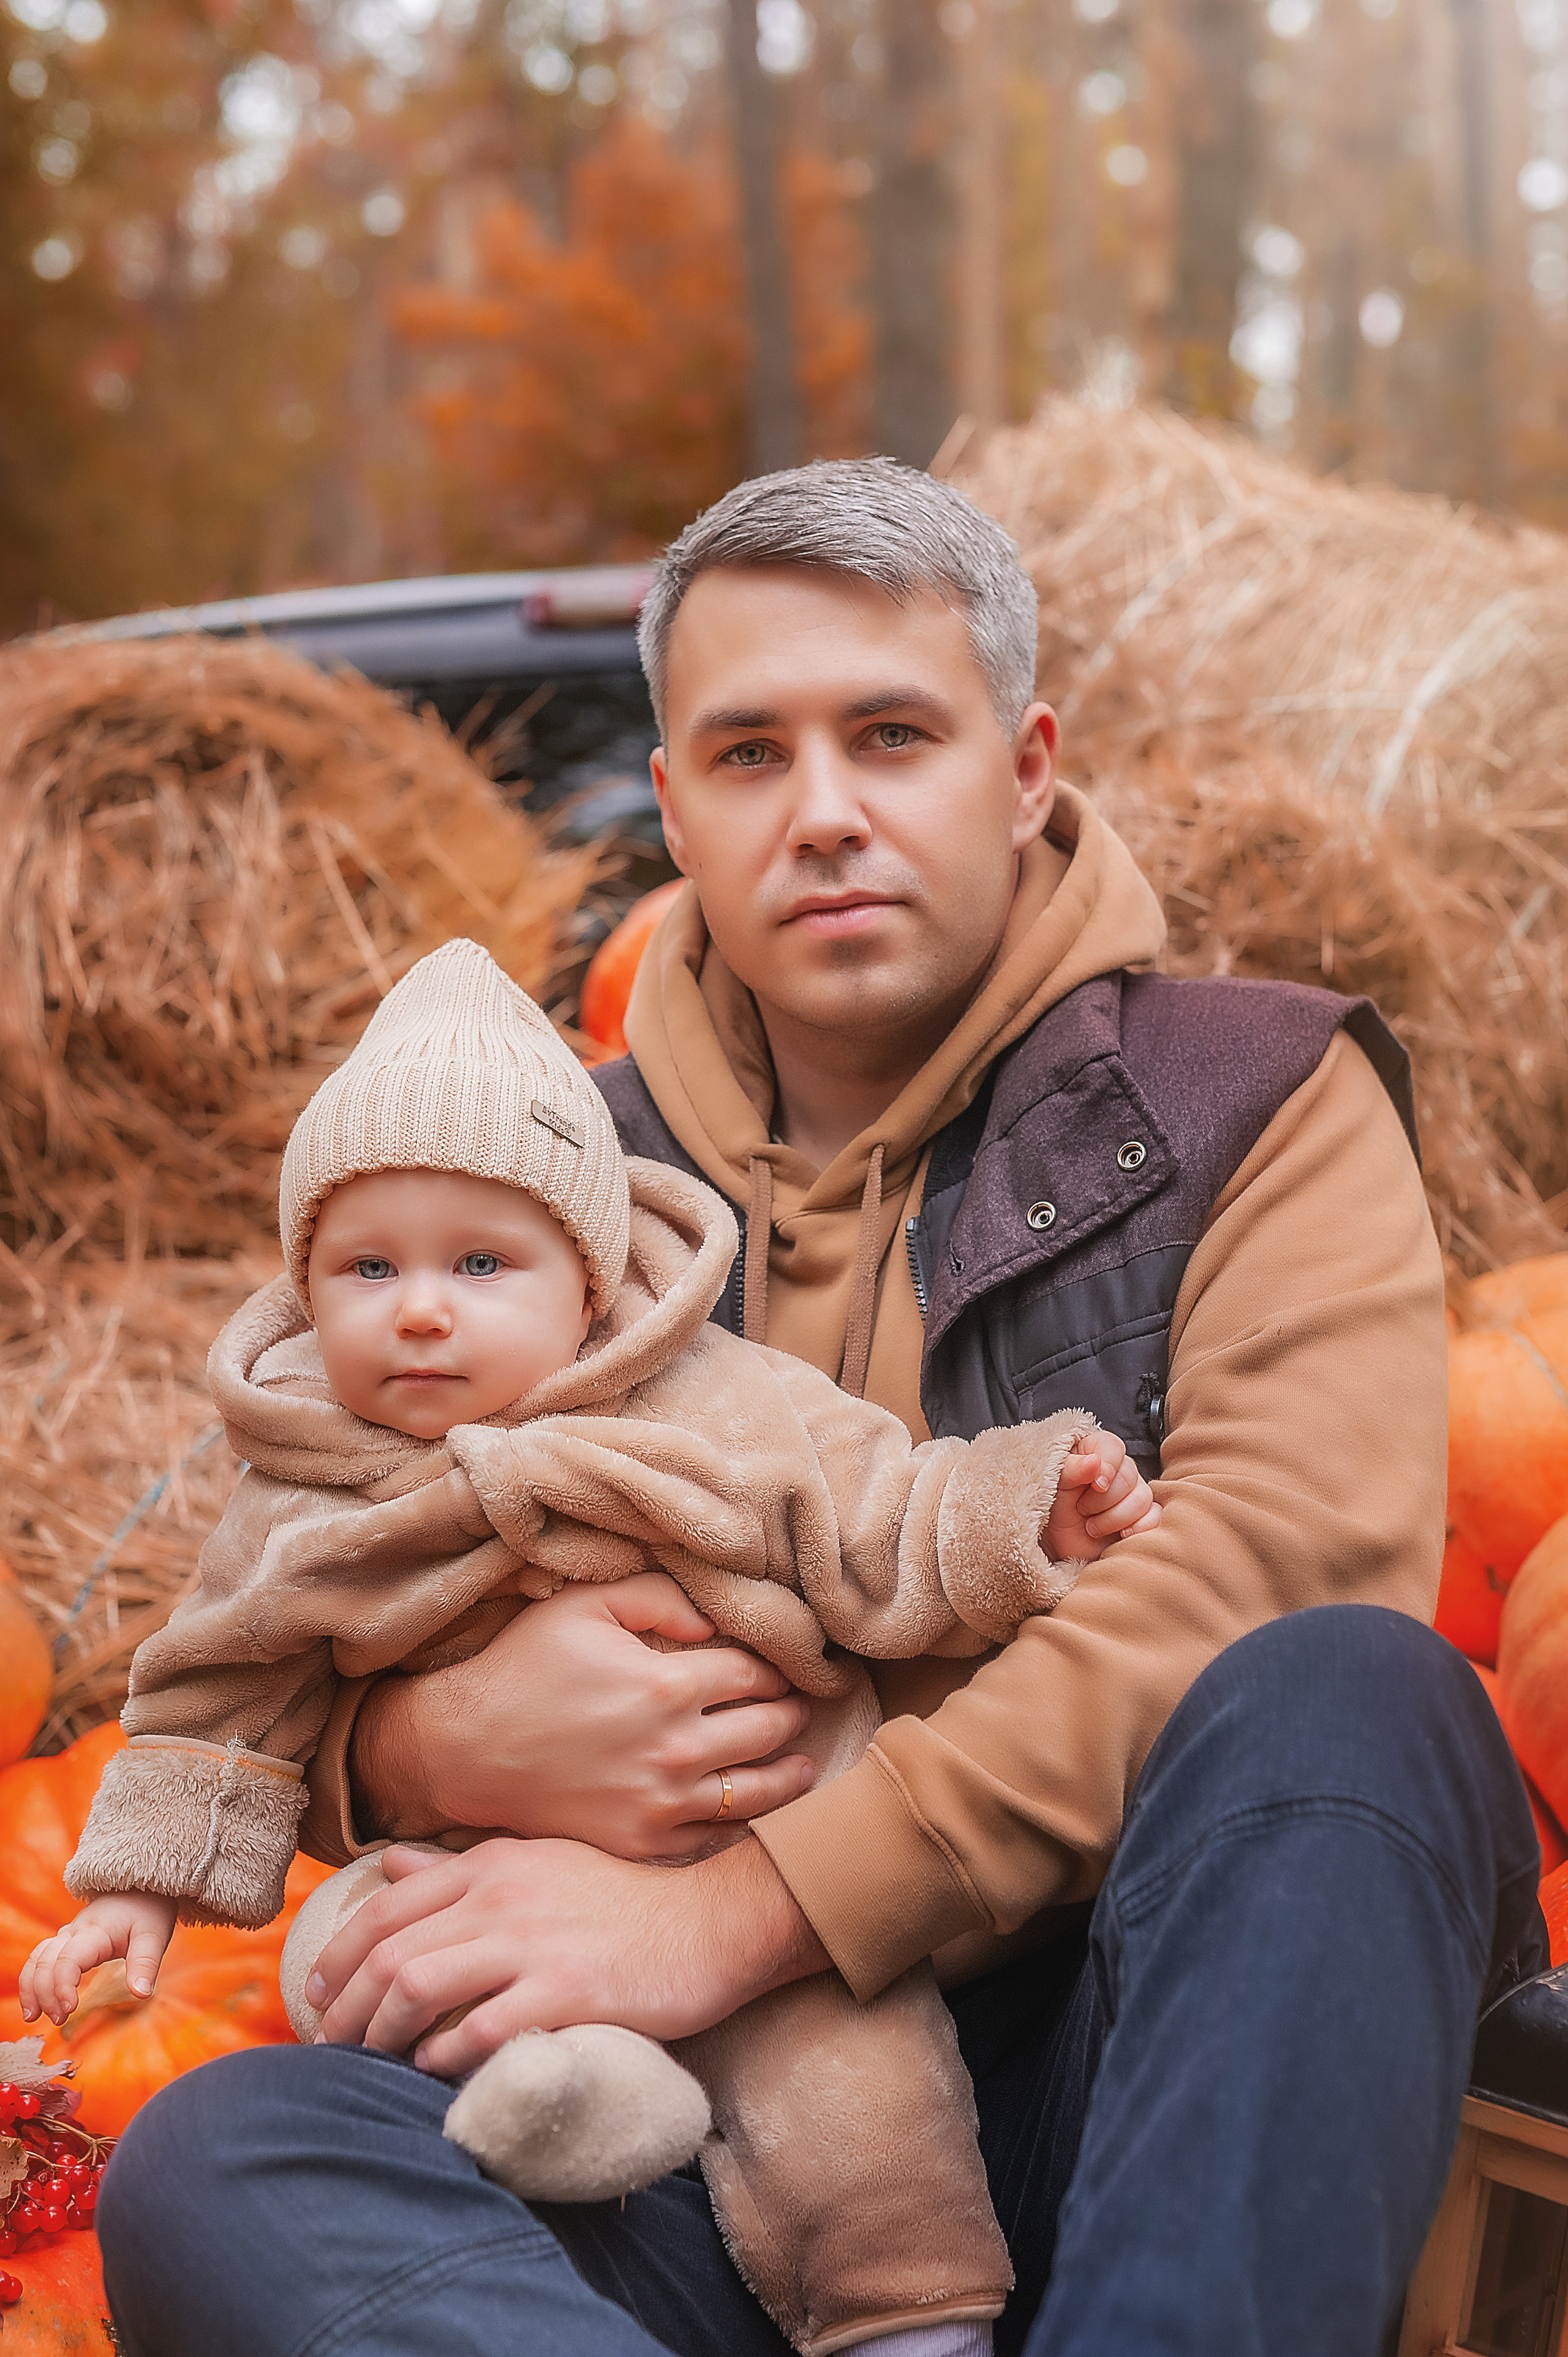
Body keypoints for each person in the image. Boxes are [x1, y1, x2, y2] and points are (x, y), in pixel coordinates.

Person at [95, 459, 1544, 2357]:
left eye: (891, 735)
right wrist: (426, 1752)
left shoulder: (1249, 1095)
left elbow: (1262, 1579)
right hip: (701, 2120)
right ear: (676, 811)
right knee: (222, 2158)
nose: (829, 813)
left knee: (1355, 1688)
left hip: (1156, 2052)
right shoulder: (532, 1200)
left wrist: (741, 1909)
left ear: (1024, 768)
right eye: (752, 754)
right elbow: (294, 1570)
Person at [26, 933, 1156, 2357]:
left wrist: (1022, 1514)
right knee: (368, 1967)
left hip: (755, 1868)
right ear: (309, 1290)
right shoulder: (303, 1481)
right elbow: (218, 1689)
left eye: (479, 1261)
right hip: (472, 1890)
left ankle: (907, 2325)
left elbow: (878, 1511)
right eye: (367, 1265)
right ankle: (550, 2123)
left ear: (584, 1275)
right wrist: (140, 1888)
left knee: (861, 2099)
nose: (419, 1305)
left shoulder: (710, 1401)